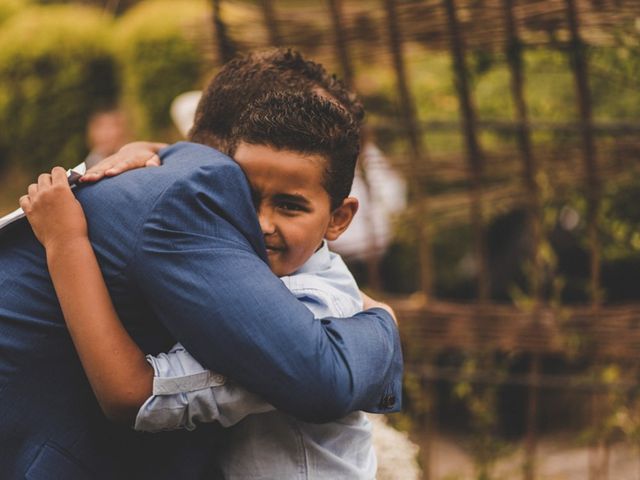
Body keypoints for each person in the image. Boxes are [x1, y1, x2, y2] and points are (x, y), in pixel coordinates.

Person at [0, 49, 401, 478]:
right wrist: (383, 322)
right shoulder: (192, 204)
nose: (262, 222)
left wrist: (382, 320)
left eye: (289, 204)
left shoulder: (305, 287)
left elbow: (142, 392)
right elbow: (322, 375)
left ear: (339, 217)